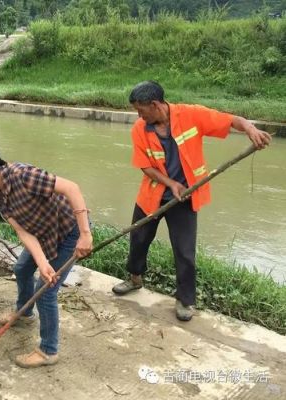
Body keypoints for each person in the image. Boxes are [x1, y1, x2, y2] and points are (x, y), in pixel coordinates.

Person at [112, 81, 271, 321]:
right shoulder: (140, 129)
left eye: (141, 110)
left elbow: (229, 120)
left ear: (155, 105)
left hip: (186, 198)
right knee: (139, 239)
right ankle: (135, 279)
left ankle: (185, 300)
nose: (139, 115)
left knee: (185, 251)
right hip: (153, 195)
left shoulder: (191, 115)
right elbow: (145, 166)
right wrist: (171, 183)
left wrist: (251, 129)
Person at [0, 141, 93, 368]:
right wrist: (42, 262)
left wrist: (85, 234)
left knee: (45, 291)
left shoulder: (23, 175)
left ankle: (48, 351)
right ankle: (24, 314)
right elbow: (23, 231)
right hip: (41, 233)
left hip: (69, 232)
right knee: (22, 269)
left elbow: (72, 188)